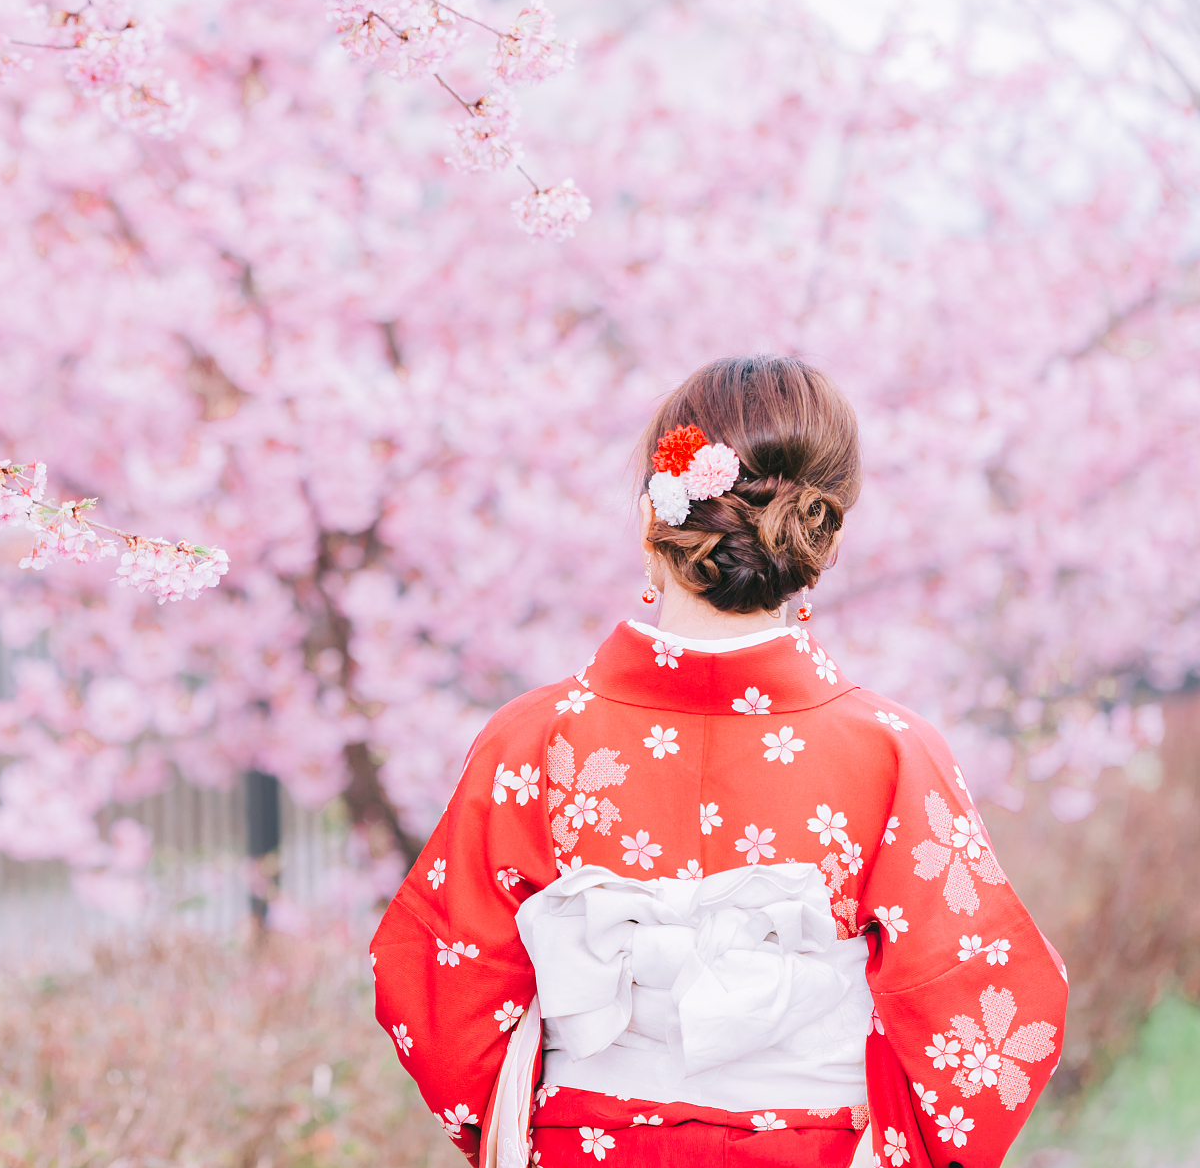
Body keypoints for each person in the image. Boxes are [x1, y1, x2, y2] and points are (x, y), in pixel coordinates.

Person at [371, 356, 1065, 1168]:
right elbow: (991, 1010)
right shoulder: (890, 753)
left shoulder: (533, 743)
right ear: (821, 538)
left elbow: (431, 990)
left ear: (648, 521)